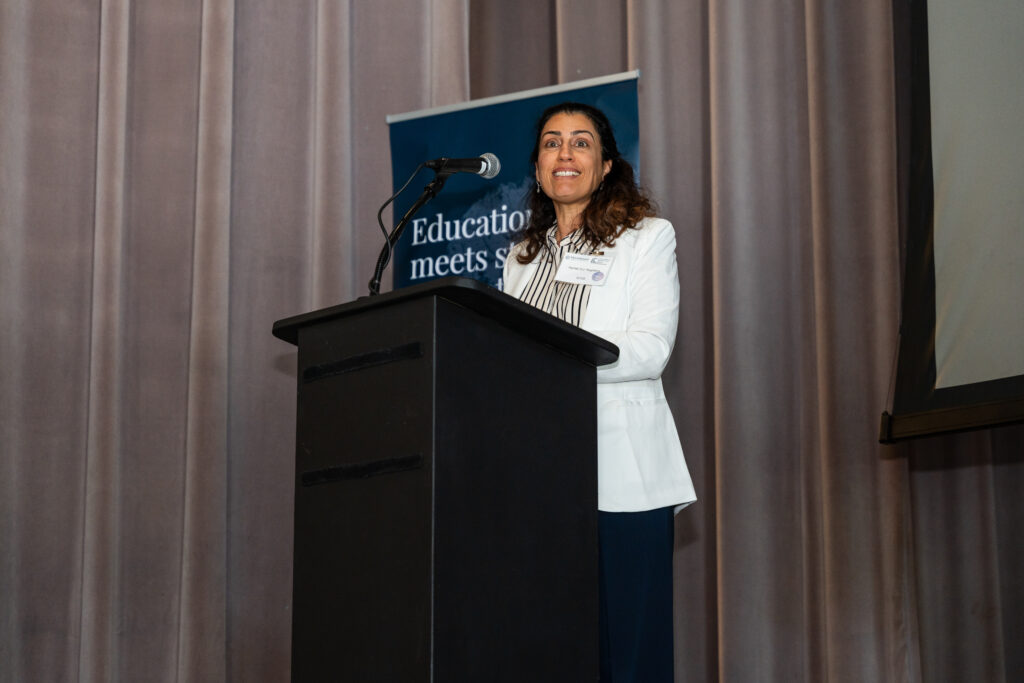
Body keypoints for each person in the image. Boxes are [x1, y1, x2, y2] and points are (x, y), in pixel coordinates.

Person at [503, 102, 696, 682]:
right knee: (559, 655)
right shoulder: (520, 258)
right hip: (543, 486)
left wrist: (549, 360)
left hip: (627, 483)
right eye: (551, 143)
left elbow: (649, 349)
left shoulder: (646, 238)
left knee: (631, 660)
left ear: (607, 164)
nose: (565, 154)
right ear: (537, 168)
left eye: (580, 143)